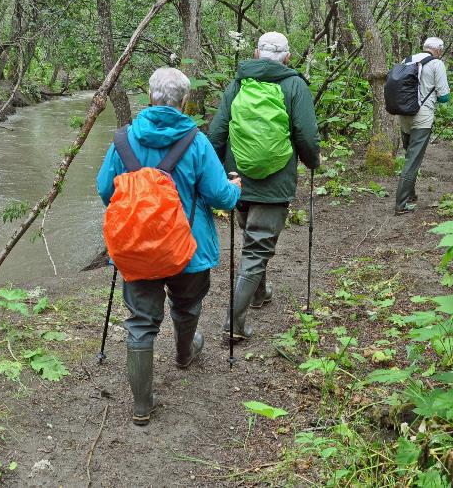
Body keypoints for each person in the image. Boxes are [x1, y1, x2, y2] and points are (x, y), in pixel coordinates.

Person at [97, 66, 242, 427]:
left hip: (137, 250)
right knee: (187, 305)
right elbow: (220, 196)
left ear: (149, 97)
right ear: (185, 101)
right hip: (189, 251)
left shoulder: (123, 140)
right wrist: (235, 187)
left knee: (141, 323)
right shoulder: (196, 141)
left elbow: (105, 190)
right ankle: (184, 354)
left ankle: (141, 407)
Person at [207, 32, 319, 342]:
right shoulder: (294, 85)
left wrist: (214, 174)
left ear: (256, 53)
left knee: (251, 239)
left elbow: (217, 131)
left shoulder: (239, 83)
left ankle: (258, 294)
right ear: (286, 57)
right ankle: (234, 322)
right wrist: (312, 161)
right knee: (257, 248)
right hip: (275, 181)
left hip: (237, 179)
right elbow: (307, 135)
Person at [394, 37, 451, 215]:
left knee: (409, 155)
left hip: (403, 115)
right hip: (423, 117)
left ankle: (410, 195)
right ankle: (401, 204)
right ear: (439, 50)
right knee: (413, 160)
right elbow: (444, 97)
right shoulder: (437, 64)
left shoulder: (407, 60)